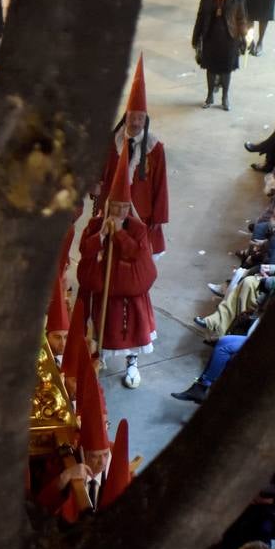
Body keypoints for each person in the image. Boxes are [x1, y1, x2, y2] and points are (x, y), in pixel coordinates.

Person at [77, 146, 159, 388]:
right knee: (104, 324)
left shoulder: (138, 229)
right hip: (105, 293)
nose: (119, 212)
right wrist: (101, 236)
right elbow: (85, 249)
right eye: (115, 207)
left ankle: (132, 361)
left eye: (123, 208)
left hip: (129, 293)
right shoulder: (95, 224)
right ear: (108, 205)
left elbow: (137, 254)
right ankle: (99, 355)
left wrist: (121, 235)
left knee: (133, 328)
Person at [97, 57, 168, 256]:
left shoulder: (155, 149)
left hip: (141, 212)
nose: (136, 122)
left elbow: (160, 184)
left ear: (145, 120)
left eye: (140, 118)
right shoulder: (112, 143)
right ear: (125, 116)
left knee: (135, 253)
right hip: (113, 208)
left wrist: (158, 216)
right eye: (132, 117)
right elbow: (100, 170)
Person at [191, 0, 249, 110]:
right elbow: (201, 15)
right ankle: (210, 95)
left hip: (229, 37)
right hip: (210, 35)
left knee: (226, 69)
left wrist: (246, 36)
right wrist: (196, 36)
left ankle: (225, 97)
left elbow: (241, 17)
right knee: (210, 67)